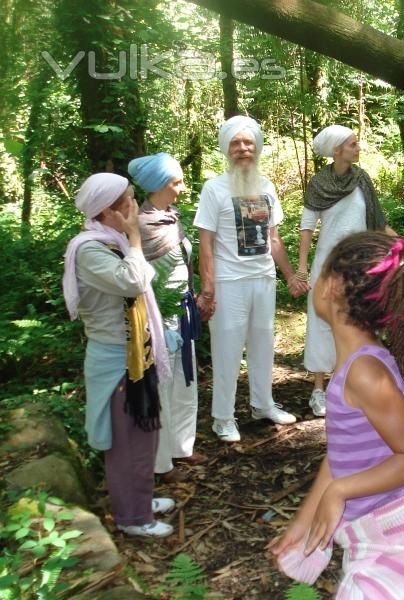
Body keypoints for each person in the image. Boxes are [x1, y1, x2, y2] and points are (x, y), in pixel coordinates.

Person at [268, 231, 404, 598]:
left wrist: (341, 492)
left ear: (333, 286)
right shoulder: (357, 361)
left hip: (403, 539)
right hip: (380, 533)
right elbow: (341, 455)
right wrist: (305, 520)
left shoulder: (365, 373)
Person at [62, 173, 175, 537]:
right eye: (127, 200)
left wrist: (131, 241)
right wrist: (136, 239)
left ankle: (140, 499)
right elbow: (133, 281)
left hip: (138, 353)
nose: (133, 206)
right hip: (116, 360)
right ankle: (132, 517)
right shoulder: (90, 248)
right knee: (126, 442)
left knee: (145, 434)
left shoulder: (112, 241)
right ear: (109, 211)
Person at [194, 115, 300, 443]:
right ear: (227, 148)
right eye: (236, 143)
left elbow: (275, 238)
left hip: (263, 279)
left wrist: (290, 275)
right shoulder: (214, 189)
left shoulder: (266, 187)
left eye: (248, 143)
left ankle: (263, 404)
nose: (243, 149)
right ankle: (223, 417)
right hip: (228, 282)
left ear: (257, 148)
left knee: (263, 345)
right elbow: (206, 242)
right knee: (227, 349)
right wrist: (208, 286)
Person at [294, 125, 395, 417]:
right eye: (352, 144)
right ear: (337, 150)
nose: (358, 147)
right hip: (328, 264)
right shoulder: (319, 183)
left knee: (360, 323)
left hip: (362, 265)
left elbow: (377, 221)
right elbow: (307, 226)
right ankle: (318, 390)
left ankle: (352, 385)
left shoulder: (362, 179)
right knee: (322, 322)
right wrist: (302, 268)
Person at [129, 153, 205, 483]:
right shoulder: (140, 225)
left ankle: (182, 447)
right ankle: (162, 463)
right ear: (160, 185)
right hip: (157, 317)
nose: (182, 187)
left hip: (182, 311)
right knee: (161, 387)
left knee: (185, 384)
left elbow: (182, 266)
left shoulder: (171, 217)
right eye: (176, 182)